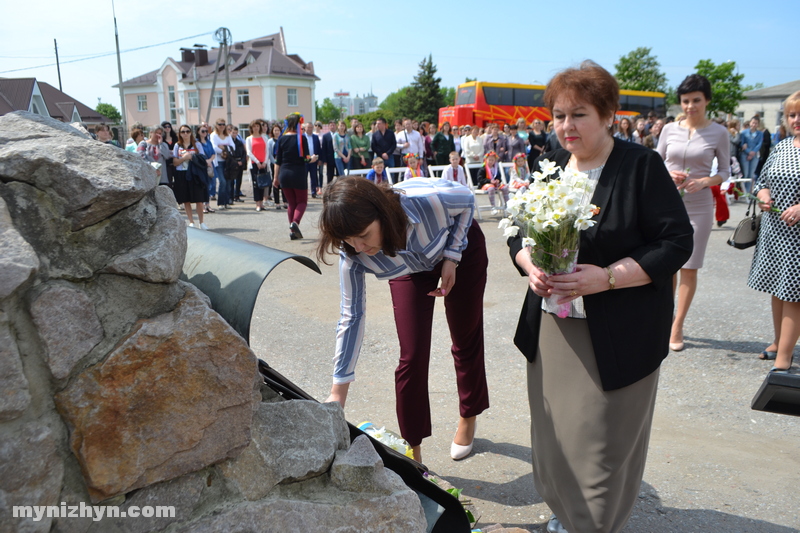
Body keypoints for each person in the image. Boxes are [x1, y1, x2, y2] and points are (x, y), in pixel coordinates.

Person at [509, 60, 693, 533]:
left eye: (579, 114)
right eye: (558, 116)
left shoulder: (640, 166)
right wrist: (529, 265)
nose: (566, 126)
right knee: (554, 435)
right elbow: (519, 238)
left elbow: (675, 243)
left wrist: (608, 277)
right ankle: (564, 514)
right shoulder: (550, 168)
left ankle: (592, 525)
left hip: (620, 334)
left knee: (602, 443)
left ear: (608, 114)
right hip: (553, 329)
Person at [317, 176, 489, 464]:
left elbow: (467, 200)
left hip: (458, 248)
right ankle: (414, 454)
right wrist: (338, 392)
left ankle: (468, 415)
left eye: (364, 234)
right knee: (412, 354)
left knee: (465, 334)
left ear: (380, 214)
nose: (358, 247)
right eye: (348, 240)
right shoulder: (353, 255)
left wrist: (452, 256)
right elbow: (352, 316)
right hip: (407, 266)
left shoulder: (425, 202)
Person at [656, 74, 730, 352]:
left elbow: (724, 171)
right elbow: (655, 161)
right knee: (666, 265)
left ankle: (677, 325)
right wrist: (667, 173)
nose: (690, 106)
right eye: (685, 101)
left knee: (688, 267)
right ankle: (664, 316)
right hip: (666, 204)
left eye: (696, 100)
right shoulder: (668, 129)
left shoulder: (719, 132)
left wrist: (704, 181)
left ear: (707, 100)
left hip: (699, 206)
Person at [747, 90, 800, 374]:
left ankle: (786, 356)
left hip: (798, 237)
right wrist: (764, 194)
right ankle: (779, 341)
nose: (796, 120)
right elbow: (761, 181)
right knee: (778, 291)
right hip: (774, 231)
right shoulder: (781, 146)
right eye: (792, 114)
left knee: (793, 293)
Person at [273, 113, 311, 239]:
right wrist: (313, 158)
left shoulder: (281, 139)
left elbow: (277, 160)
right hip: (298, 174)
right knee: (302, 202)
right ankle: (295, 223)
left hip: (284, 173)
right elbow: (306, 158)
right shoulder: (302, 139)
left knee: (291, 203)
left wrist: (275, 177)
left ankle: (293, 232)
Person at [172, 125, 208, 229]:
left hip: (195, 173)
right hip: (182, 173)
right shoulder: (177, 146)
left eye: (187, 131)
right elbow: (175, 162)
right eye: (183, 132)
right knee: (186, 199)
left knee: (199, 199)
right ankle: (191, 221)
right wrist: (183, 158)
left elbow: (202, 159)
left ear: (191, 133)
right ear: (180, 134)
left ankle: (201, 222)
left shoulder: (196, 144)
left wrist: (192, 157)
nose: (185, 134)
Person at [210, 119, 235, 209]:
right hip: (219, 162)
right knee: (222, 181)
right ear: (216, 125)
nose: (222, 126)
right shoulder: (213, 135)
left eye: (223, 124)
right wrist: (224, 150)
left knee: (228, 181)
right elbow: (214, 147)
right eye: (220, 124)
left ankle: (227, 201)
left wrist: (223, 148)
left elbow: (233, 147)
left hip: (228, 162)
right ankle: (221, 202)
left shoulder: (227, 135)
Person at [246, 119, 270, 211]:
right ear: (251, 128)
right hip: (254, 164)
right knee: (256, 184)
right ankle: (258, 203)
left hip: (263, 163)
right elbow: (249, 152)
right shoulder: (249, 138)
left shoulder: (264, 137)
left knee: (263, 183)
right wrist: (257, 162)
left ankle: (262, 203)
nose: (256, 128)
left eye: (257, 126)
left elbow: (267, 151)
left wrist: (264, 162)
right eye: (254, 126)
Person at [195, 125, 216, 214]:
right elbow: (198, 154)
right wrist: (205, 161)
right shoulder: (196, 142)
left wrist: (210, 160)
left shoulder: (208, 142)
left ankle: (208, 205)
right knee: (203, 185)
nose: (204, 133)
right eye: (202, 131)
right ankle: (202, 205)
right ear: (198, 132)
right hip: (201, 165)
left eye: (206, 131)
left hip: (210, 165)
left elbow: (213, 153)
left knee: (211, 184)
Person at [740, 116, 763, 193]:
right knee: (745, 173)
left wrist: (753, 152)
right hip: (745, 155)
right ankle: (742, 191)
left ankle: (747, 192)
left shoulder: (760, 133)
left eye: (756, 123)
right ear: (750, 123)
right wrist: (748, 152)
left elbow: (759, 144)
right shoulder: (744, 132)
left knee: (751, 174)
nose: (754, 124)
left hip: (754, 155)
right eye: (753, 122)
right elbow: (742, 144)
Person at [268, 123, 288, 210]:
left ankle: (285, 201)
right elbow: (270, 154)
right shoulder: (270, 141)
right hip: (274, 163)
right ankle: (277, 202)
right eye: (275, 130)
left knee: (283, 182)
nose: (276, 132)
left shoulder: (283, 140)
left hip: (283, 163)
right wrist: (275, 162)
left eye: (278, 130)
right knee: (275, 182)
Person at [226, 125, 247, 203]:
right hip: (232, 163)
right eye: (233, 133)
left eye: (236, 133)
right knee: (231, 181)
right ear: (230, 132)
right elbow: (229, 153)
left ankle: (237, 195)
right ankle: (230, 197)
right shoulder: (229, 142)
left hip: (240, 162)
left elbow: (244, 152)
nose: (234, 134)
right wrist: (235, 162)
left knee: (239, 180)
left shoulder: (239, 142)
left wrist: (242, 160)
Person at [303, 122, 322, 198]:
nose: (310, 129)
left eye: (311, 127)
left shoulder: (315, 137)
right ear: (305, 128)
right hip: (305, 160)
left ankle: (314, 192)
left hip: (314, 159)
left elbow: (318, 149)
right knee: (304, 177)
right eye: (308, 127)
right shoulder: (302, 137)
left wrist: (319, 159)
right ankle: (304, 193)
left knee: (314, 177)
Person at [320, 120, 338, 187]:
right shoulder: (325, 136)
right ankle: (329, 188)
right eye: (331, 125)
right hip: (329, 158)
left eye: (334, 125)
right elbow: (324, 148)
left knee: (339, 174)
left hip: (338, 157)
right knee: (330, 175)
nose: (332, 126)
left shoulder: (338, 134)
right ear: (329, 127)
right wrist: (324, 160)